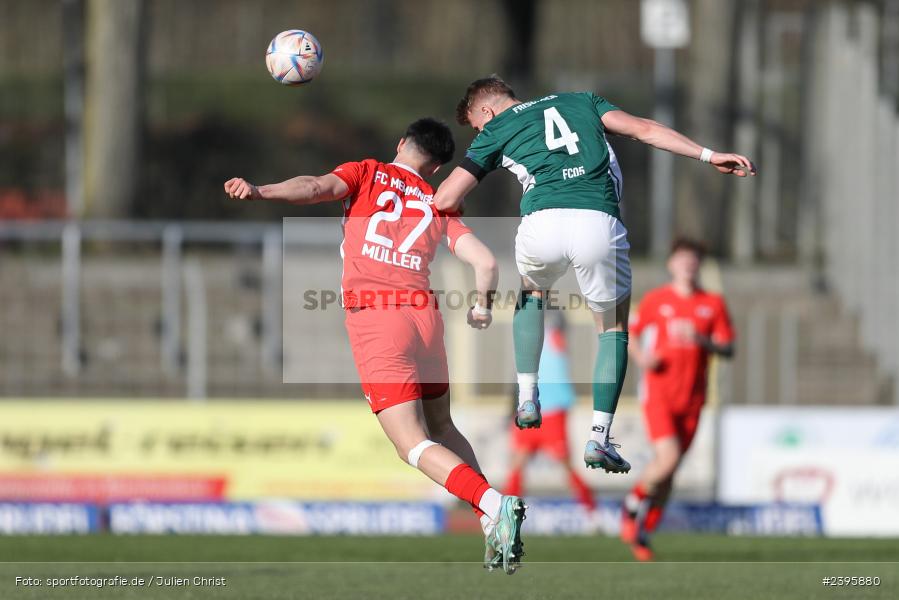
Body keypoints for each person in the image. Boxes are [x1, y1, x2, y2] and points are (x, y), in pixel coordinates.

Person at [224, 118, 526, 574]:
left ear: (401, 143)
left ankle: (492, 502)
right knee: (443, 427)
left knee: (410, 444)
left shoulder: (365, 172)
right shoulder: (440, 199)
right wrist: (481, 306)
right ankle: (489, 520)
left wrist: (260, 190)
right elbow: (484, 262)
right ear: (440, 167)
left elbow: (312, 187)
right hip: (425, 316)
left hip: (378, 318)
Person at [433, 76, 754, 475]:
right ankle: (599, 438)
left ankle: (528, 396)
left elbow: (445, 197)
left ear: (485, 111)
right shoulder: (582, 101)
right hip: (596, 219)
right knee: (613, 327)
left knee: (531, 294)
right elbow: (646, 130)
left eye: (477, 125)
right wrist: (709, 155)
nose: (480, 131)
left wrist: (447, 212)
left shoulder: (497, 128)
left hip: (542, 222)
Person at [623, 238, 736, 561]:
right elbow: (629, 333)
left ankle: (642, 533)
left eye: (693, 259)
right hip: (659, 394)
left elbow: (728, 348)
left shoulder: (712, 303)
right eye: (681, 258)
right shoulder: (656, 301)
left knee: (668, 477)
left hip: (693, 399)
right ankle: (631, 509)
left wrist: (702, 339)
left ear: (699, 265)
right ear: (671, 264)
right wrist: (643, 358)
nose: (687, 264)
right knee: (667, 459)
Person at [504, 310, 597, 516]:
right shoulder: (527, 341)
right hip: (529, 408)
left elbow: (559, 319)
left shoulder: (553, 334)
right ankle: (507, 515)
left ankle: (590, 509)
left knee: (564, 463)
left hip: (553, 410)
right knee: (517, 462)